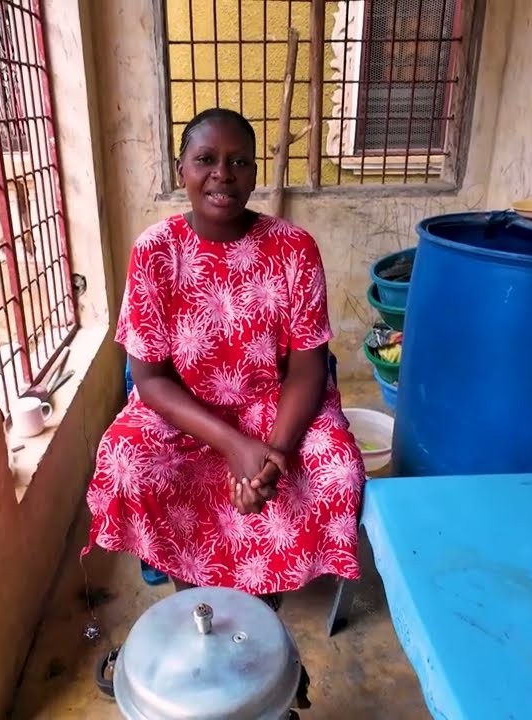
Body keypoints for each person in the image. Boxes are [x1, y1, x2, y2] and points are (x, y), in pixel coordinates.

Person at [84, 108, 365, 605]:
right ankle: (193, 591)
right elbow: (148, 381)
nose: (223, 174)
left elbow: (307, 368)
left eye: (239, 162)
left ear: (254, 173)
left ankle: (266, 595)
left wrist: (272, 457)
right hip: (188, 410)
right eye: (206, 159)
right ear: (181, 170)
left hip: (275, 409)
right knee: (126, 457)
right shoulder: (154, 252)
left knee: (337, 466)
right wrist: (234, 445)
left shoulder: (295, 249)